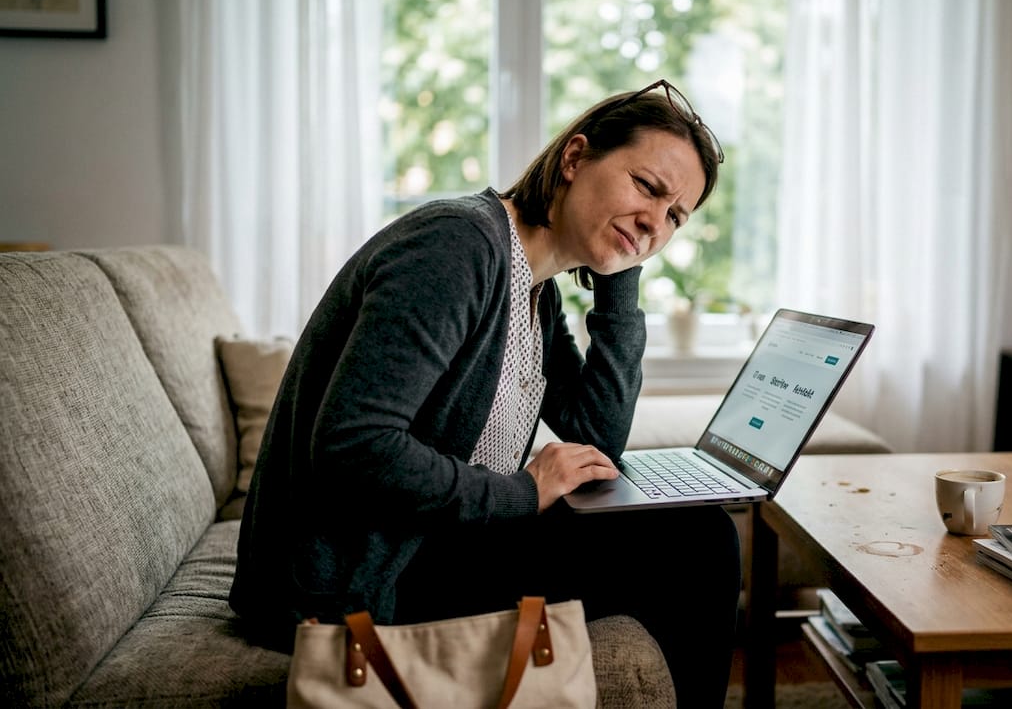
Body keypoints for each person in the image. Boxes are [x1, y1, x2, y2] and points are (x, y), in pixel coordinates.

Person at [229, 80, 741, 706]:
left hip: (435, 543)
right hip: (358, 575)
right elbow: (353, 446)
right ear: (574, 158)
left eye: (675, 217)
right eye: (646, 187)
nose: (656, 223)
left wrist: (621, 275)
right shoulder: (458, 246)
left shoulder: (536, 287)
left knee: (693, 532)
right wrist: (523, 493)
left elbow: (597, 438)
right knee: (699, 548)